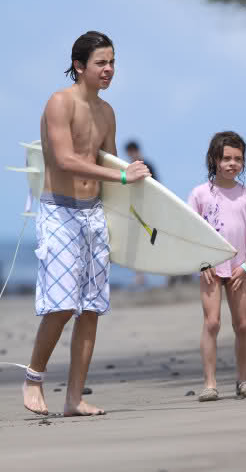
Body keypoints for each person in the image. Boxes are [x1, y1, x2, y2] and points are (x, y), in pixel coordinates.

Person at [23, 31, 150, 417]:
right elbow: (64, 159)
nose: (109, 69)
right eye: (101, 63)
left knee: (91, 308)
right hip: (59, 212)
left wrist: (137, 215)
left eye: (112, 63)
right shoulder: (59, 103)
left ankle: (74, 397)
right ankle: (33, 378)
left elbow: (109, 164)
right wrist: (124, 177)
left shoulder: (107, 112)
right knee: (61, 307)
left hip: (93, 213)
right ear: (80, 65)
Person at [188, 131, 246, 402]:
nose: (232, 164)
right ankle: (210, 384)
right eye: (226, 158)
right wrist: (202, 261)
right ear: (214, 159)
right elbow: (191, 233)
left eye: (238, 159)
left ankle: (243, 381)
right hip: (210, 267)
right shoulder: (199, 193)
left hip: (239, 268)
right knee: (212, 322)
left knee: (242, 325)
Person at [125, 140, 159, 287]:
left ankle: (164, 275)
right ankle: (139, 277)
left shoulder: (147, 166)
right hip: (134, 211)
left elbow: (157, 188)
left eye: (133, 152)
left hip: (148, 210)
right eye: (129, 153)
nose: (131, 155)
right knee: (135, 244)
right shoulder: (127, 168)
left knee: (152, 241)